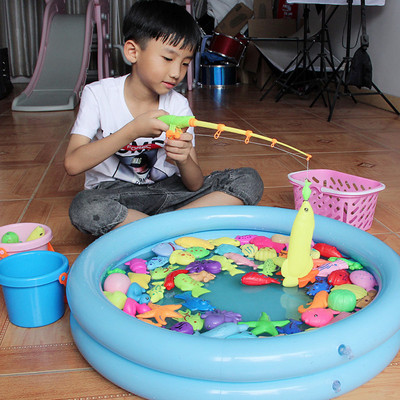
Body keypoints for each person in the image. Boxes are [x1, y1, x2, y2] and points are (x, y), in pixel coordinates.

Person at [64, 0, 264, 237]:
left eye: (185, 63)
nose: (176, 72)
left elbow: (194, 184)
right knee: (84, 207)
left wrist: (184, 159)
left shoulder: (178, 105)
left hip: (170, 193)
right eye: (168, 59)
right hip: (118, 196)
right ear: (133, 52)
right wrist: (132, 130)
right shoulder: (98, 94)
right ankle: (177, 228)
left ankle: (155, 230)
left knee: (249, 180)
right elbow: (73, 164)